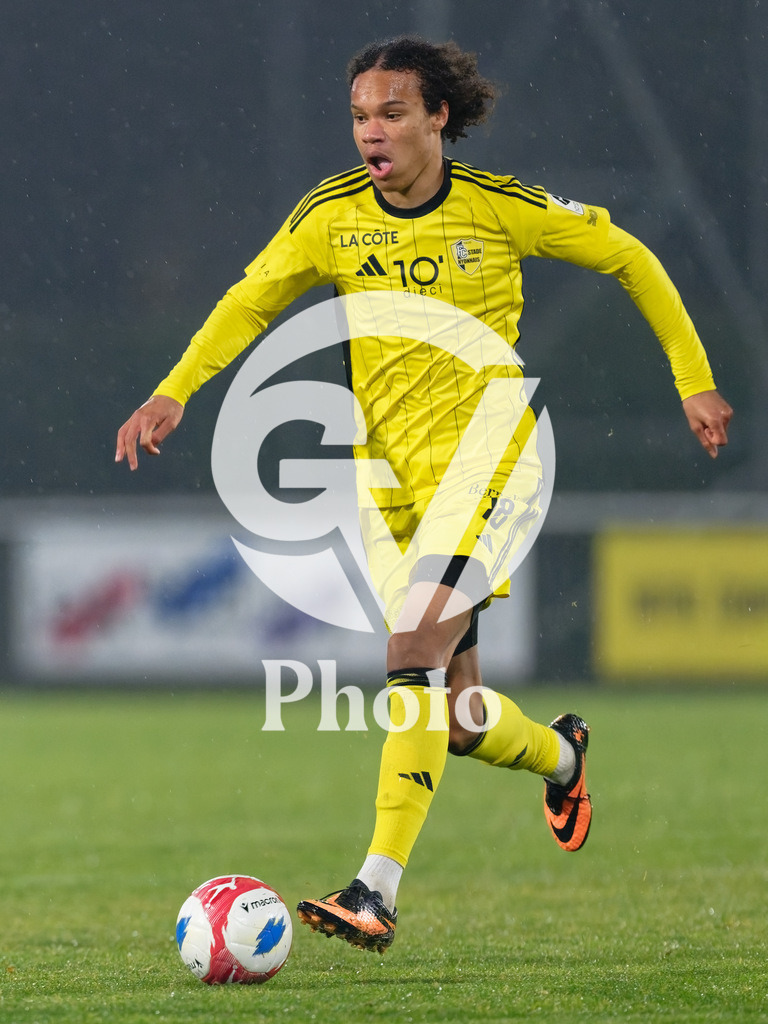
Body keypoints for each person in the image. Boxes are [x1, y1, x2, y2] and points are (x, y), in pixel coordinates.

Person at [116, 37, 733, 954]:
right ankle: (563, 755)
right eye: (361, 115)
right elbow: (252, 300)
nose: (373, 132)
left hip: (490, 461)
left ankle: (375, 889)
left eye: (392, 114)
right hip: (386, 478)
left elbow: (631, 258)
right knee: (454, 714)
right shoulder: (331, 215)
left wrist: (693, 378)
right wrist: (176, 388)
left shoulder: (501, 208)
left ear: (439, 118)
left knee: (410, 647)